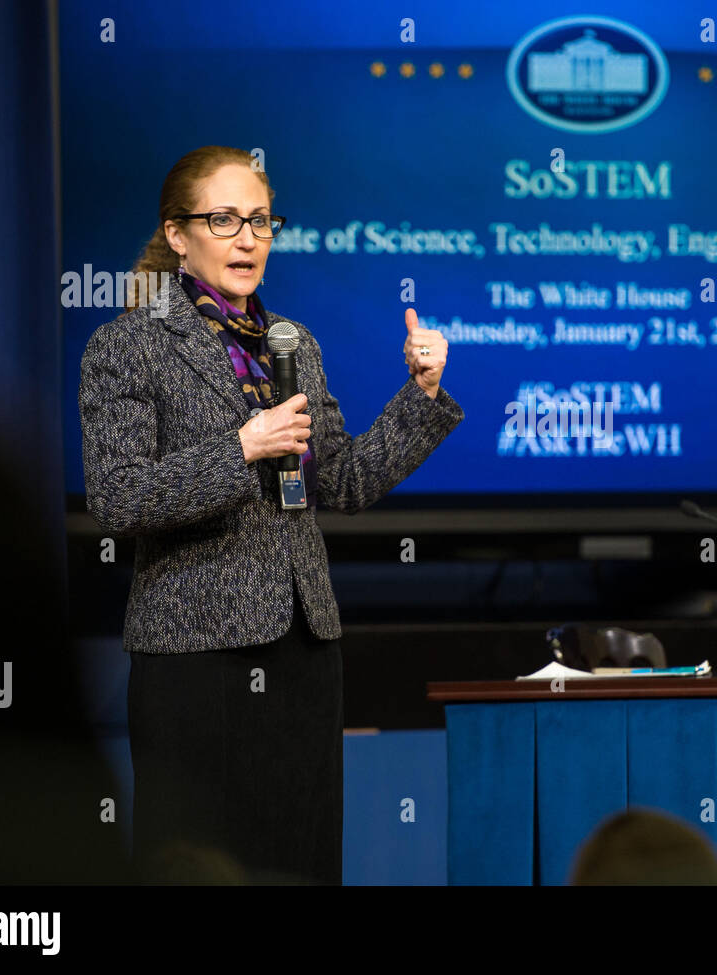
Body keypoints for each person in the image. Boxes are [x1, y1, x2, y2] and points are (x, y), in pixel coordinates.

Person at [79, 145, 464, 884]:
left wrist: (419, 395)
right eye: (224, 219)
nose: (248, 238)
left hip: (303, 649)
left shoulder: (295, 345)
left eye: (260, 220)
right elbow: (118, 496)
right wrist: (242, 448)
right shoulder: (127, 346)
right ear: (178, 234)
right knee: (197, 866)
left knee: (303, 858)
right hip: (195, 656)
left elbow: (344, 481)